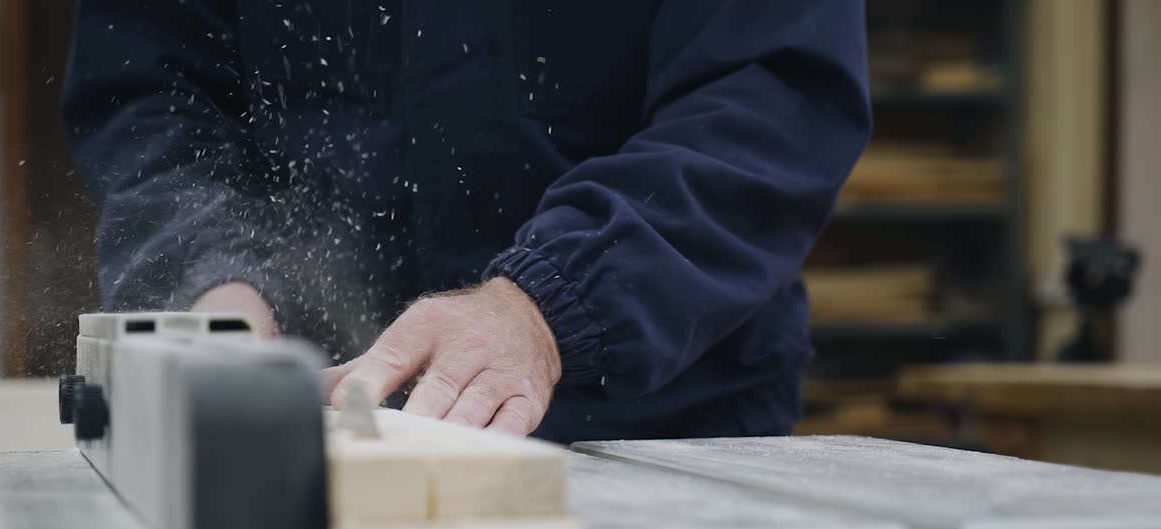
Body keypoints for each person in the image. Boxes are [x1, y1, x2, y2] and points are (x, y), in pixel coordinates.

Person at [63, 1, 871, 442]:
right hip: (316, 426)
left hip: (651, 424)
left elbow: (771, 98)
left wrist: (554, 306)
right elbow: (152, 90)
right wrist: (211, 280)